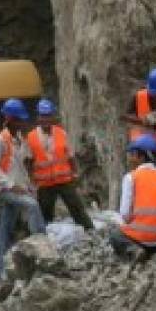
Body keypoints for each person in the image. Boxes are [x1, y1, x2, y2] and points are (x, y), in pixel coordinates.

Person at [0, 97, 45, 280]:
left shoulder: (18, 139)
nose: (22, 123)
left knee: (5, 228)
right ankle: (43, 248)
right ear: (10, 119)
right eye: (19, 119)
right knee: (32, 206)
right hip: (5, 190)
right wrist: (11, 185)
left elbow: (21, 167)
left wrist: (29, 186)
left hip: (18, 188)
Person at [27, 99, 95, 231]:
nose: (45, 119)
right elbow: (28, 162)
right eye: (43, 116)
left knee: (77, 208)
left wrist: (75, 173)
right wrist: (31, 182)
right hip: (44, 184)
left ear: (52, 117)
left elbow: (70, 156)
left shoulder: (61, 133)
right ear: (38, 117)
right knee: (45, 214)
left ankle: (90, 231)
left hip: (64, 181)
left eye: (48, 116)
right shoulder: (31, 137)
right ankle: (43, 240)